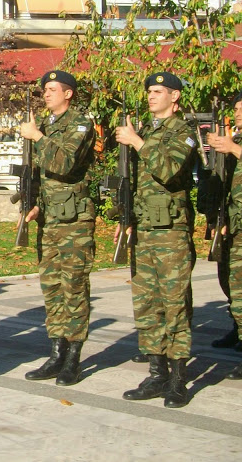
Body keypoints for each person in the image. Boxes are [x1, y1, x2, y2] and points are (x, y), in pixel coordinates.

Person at [116, 72, 197, 408]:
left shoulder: (184, 133)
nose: (151, 96)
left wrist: (136, 142)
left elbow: (168, 171)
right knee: (148, 305)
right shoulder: (148, 130)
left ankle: (178, 378)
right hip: (146, 230)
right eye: (149, 91)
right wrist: (128, 218)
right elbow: (137, 183)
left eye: (158, 91)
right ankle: (156, 371)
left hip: (171, 233)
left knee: (174, 305)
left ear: (174, 97)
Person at [19, 70, 96, 387]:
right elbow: (37, 174)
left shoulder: (81, 125)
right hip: (49, 220)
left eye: (52, 89)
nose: (46, 93)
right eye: (44, 89)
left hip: (75, 221)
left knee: (73, 287)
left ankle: (73, 358)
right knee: (51, 288)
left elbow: (65, 163)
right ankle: (56, 352)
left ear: (68, 93)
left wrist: (37, 137)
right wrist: (33, 202)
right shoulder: (47, 126)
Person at [207, 91, 242, 379]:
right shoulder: (236, 140)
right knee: (229, 280)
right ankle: (237, 328)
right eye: (237, 108)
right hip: (233, 222)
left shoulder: (236, 145)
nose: (238, 113)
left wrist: (232, 148)